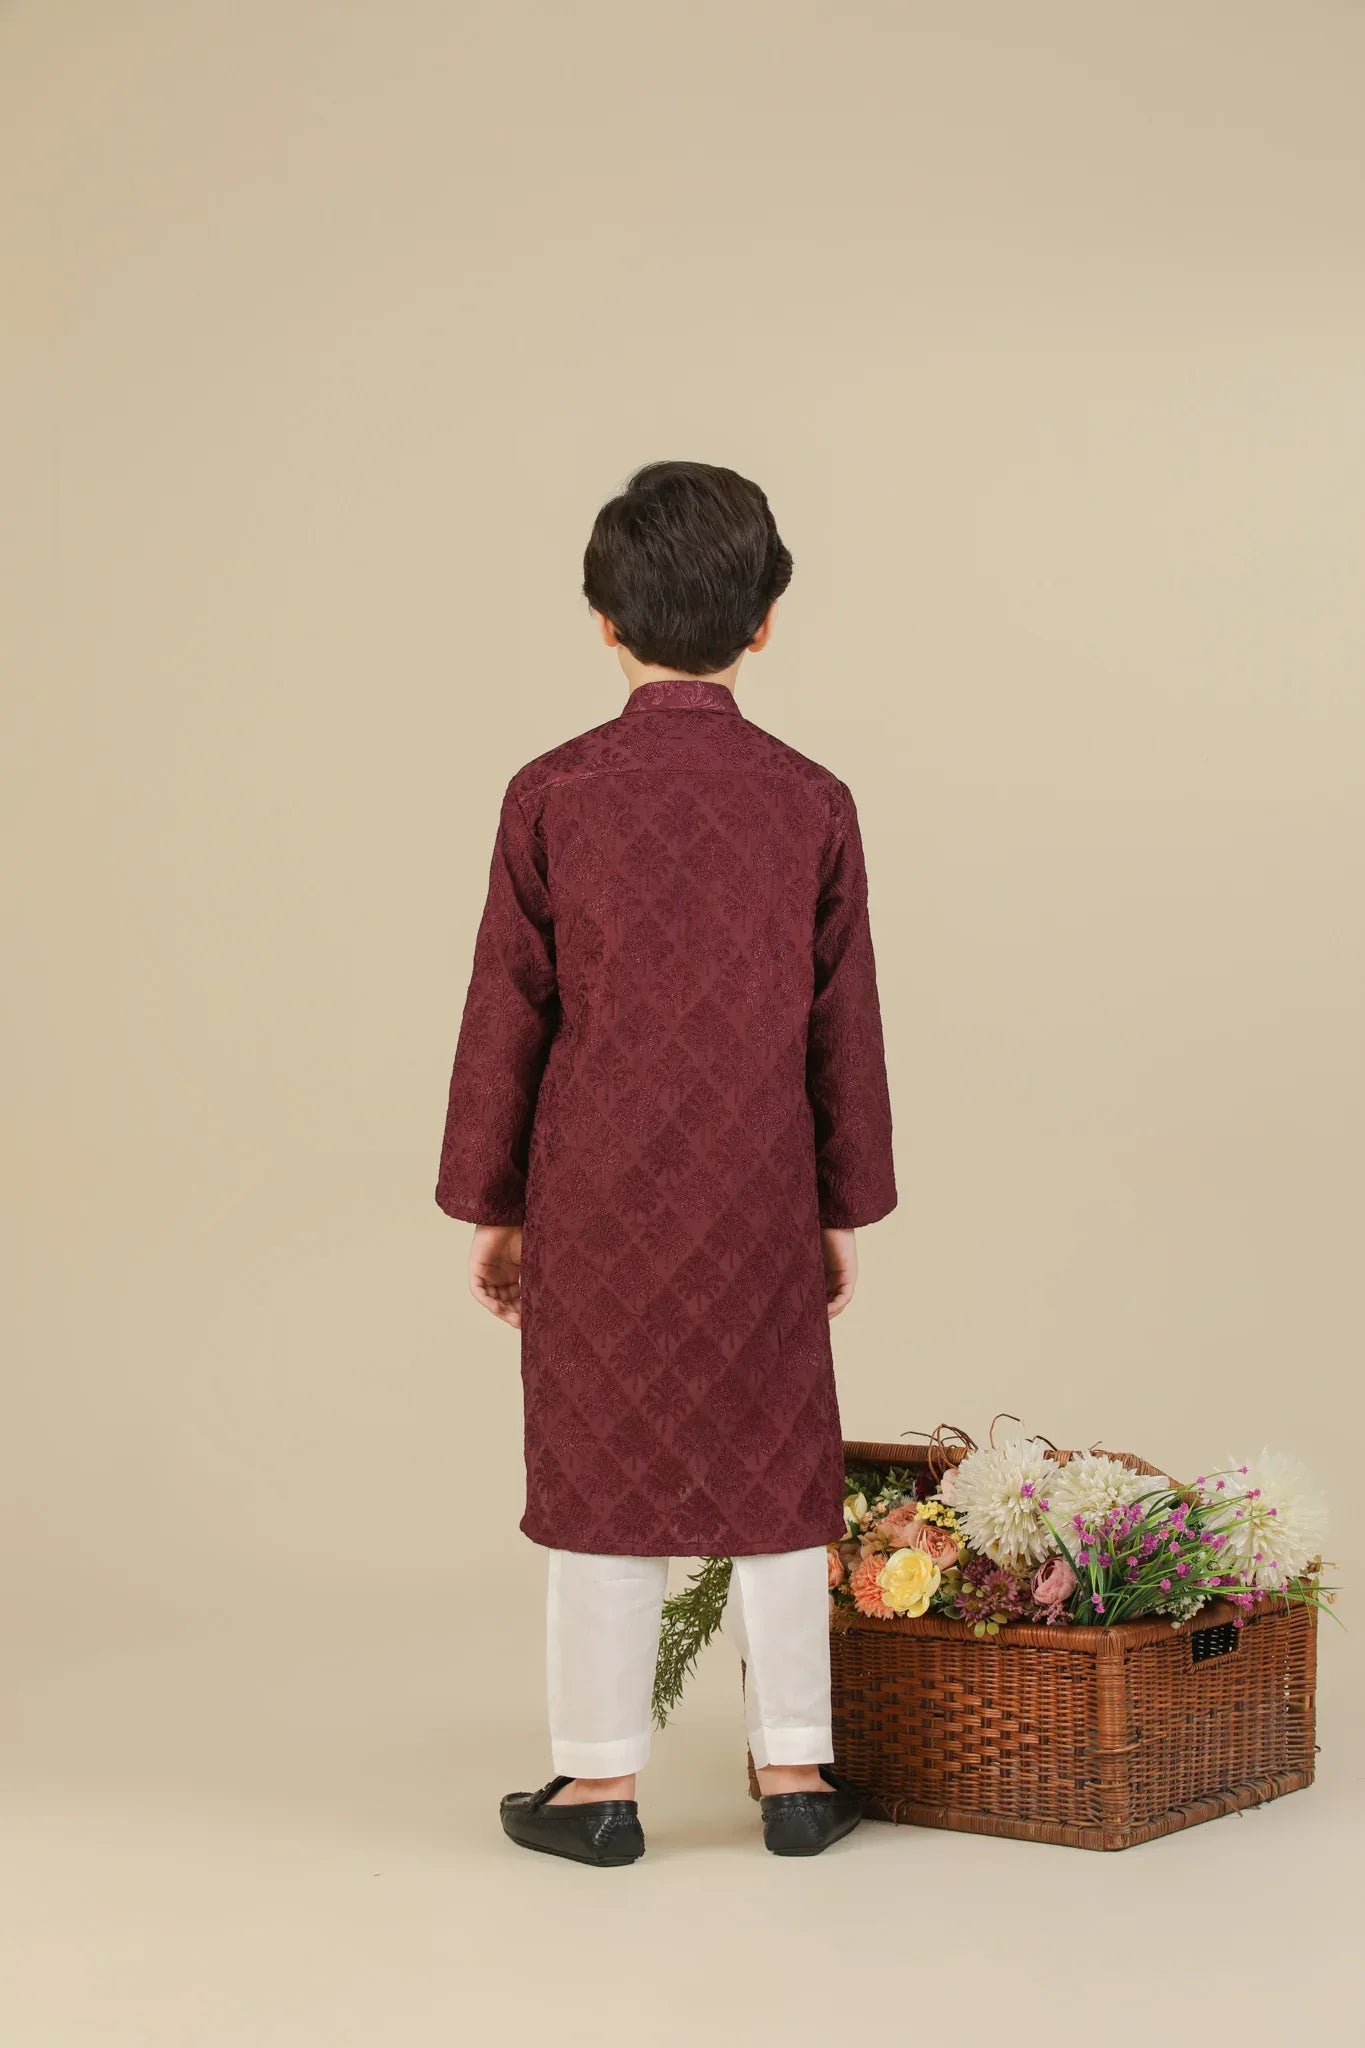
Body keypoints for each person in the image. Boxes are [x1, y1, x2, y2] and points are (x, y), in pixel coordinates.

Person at [435, 460, 896, 1864]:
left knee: (600, 1460)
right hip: (758, 1177)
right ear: (765, 623)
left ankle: (596, 1788)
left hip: (595, 1182)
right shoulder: (811, 799)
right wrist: (837, 1206)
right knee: (775, 1456)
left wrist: (497, 1205)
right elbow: (843, 1020)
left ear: (601, 620)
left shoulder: (551, 794)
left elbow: (507, 1007)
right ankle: (797, 1774)